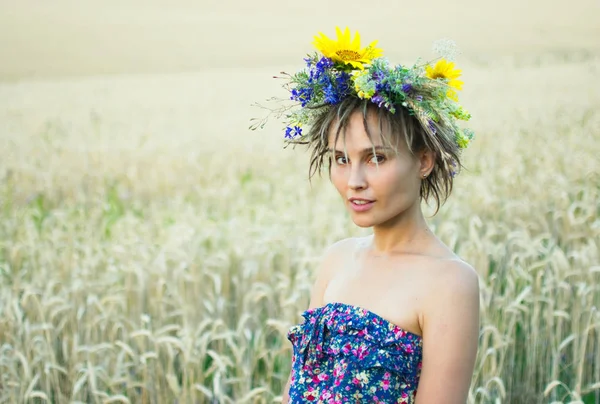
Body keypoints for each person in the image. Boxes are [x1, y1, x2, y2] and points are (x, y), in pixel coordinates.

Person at [265, 27, 480, 404]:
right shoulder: (337, 259)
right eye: (341, 160)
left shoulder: (450, 282)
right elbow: (294, 391)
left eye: (376, 158)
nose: (354, 181)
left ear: (424, 161)